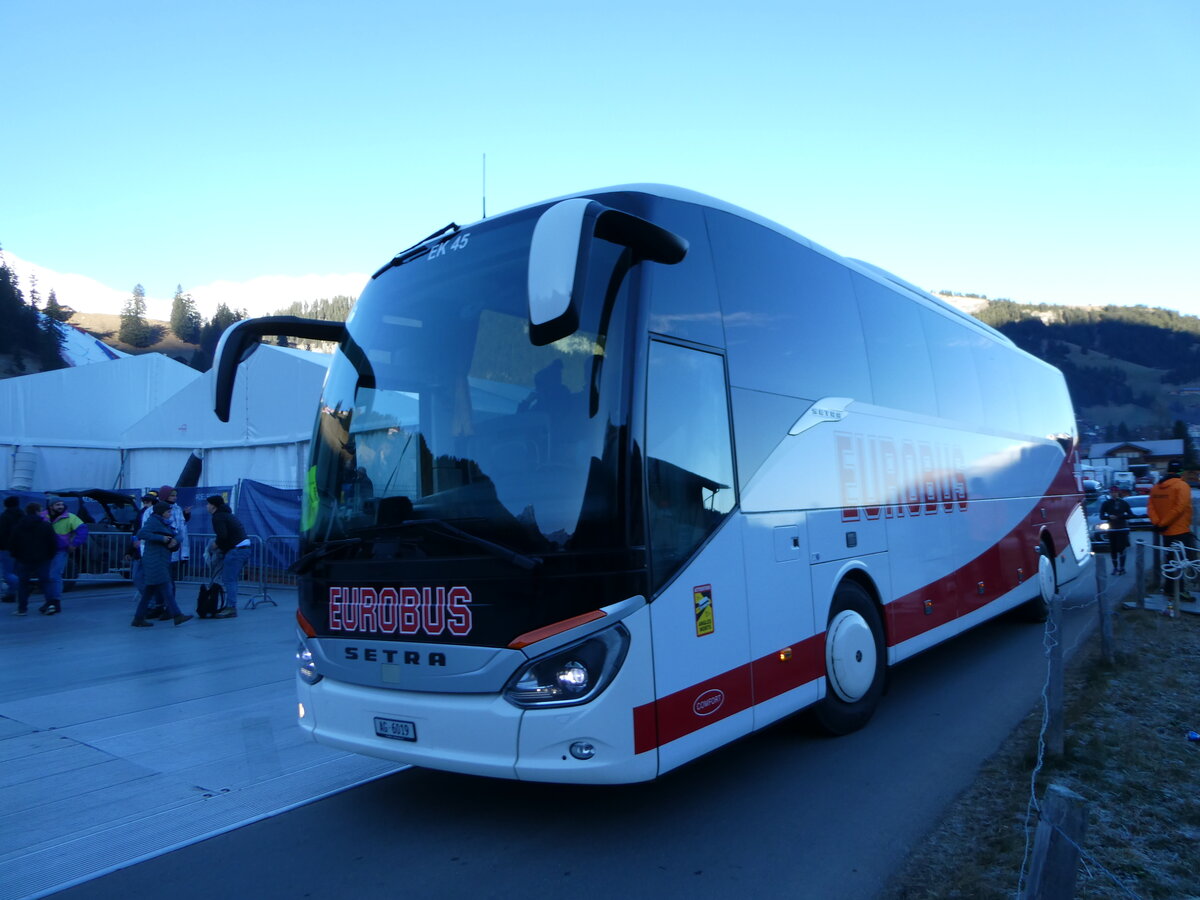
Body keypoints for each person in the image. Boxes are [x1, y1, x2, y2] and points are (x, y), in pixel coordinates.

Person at [132, 501, 192, 627]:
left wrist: (175, 540)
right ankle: (177, 615)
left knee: (149, 592)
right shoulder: (153, 522)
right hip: (155, 561)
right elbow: (141, 533)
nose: (170, 514)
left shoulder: (165, 524)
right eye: (168, 512)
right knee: (166, 589)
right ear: (162, 512)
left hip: (160, 560)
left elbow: (178, 535)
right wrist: (162, 539)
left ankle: (138, 618)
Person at [1147, 459, 1197, 600]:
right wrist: (1164, 523)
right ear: (1181, 471)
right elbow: (1179, 508)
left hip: (1165, 532)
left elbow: (1150, 507)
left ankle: (1169, 589)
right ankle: (1179, 591)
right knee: (1181, 562)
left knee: (1170, 561)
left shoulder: (1156, 487)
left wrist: (1158, 523)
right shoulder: (1182, 486)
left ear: (1168, 470)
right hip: (1179, 531)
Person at [9, 502, 58, 616]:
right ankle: (50, 605)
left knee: (23, 583)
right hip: (43, 558)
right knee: (45, 582)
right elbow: (52, 542)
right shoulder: (46, 525)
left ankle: (22, 609)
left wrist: (17, 555)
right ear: (37, 511)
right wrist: (50, 555)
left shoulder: (19, 526)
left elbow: (13, 543)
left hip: (24, 559)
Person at [206, 494, 251, 619]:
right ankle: (230, 606)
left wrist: (216, 545)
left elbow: (223, 535)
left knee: (229, 579)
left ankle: (231, 607)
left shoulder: (218, 517)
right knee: (232, 579)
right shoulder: (228, 515)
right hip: (243, 548)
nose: (207, 506)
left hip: (236, 550)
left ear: (213, 506)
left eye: (208, 504)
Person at [45, 497, 88, 614]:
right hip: (44, 551)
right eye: (57, 504)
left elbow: (83, 530)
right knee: (46, 577)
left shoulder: (70, 517)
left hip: (60, 551)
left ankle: (55, 601)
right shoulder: (43, 516)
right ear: (51, 506)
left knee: (54, 576)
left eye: (61, 504)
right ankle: (49, 601)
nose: (60, 507)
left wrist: (74, 544)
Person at [1099, 488, 1134, 575]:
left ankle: (1122, 568)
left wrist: (1121, 516)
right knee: (1113, 549)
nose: (1113, 494)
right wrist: (1109, 517)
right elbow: (1101, 516)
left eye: (1115, 492)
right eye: (1112, 492)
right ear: (1110, 493)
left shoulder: (1123, 503)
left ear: (1118, 493)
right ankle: (1115, 568)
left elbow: (1130, 515)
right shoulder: (1106, 503)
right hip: (1111, 529)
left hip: (1122, 528)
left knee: (1121, 548)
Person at [0, 495, 23, 602]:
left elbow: (2, 534)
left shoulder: (4, 516)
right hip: (20, 548)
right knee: (16, 571)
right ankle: (12, 593)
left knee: (7, 573)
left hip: (6, 548)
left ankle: (17, 587)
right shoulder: (22, 515)